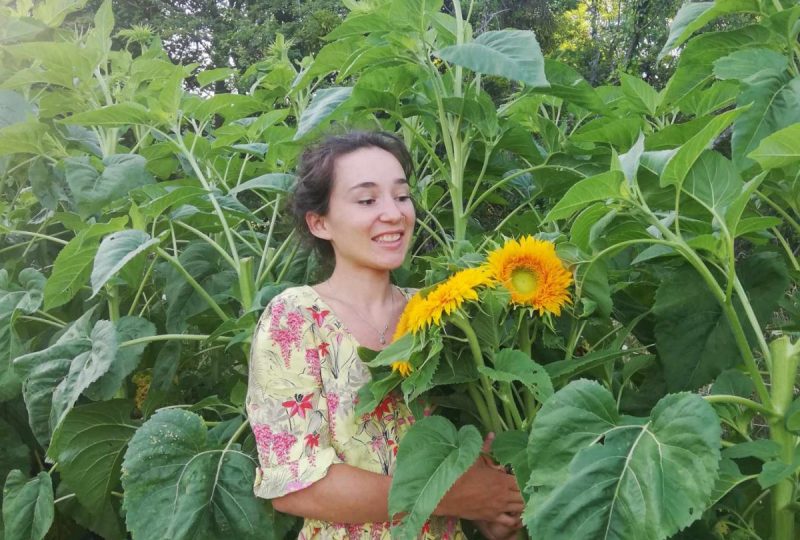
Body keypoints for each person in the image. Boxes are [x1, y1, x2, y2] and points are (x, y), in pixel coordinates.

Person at [246, 131, 524, 539]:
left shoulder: (441, 312)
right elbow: (296, 486)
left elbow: (477, 457)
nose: (393, 213)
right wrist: (453, 496)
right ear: (320, 222)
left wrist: (494, 513)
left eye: (402, 195)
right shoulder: (295, 318)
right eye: (367, 200)